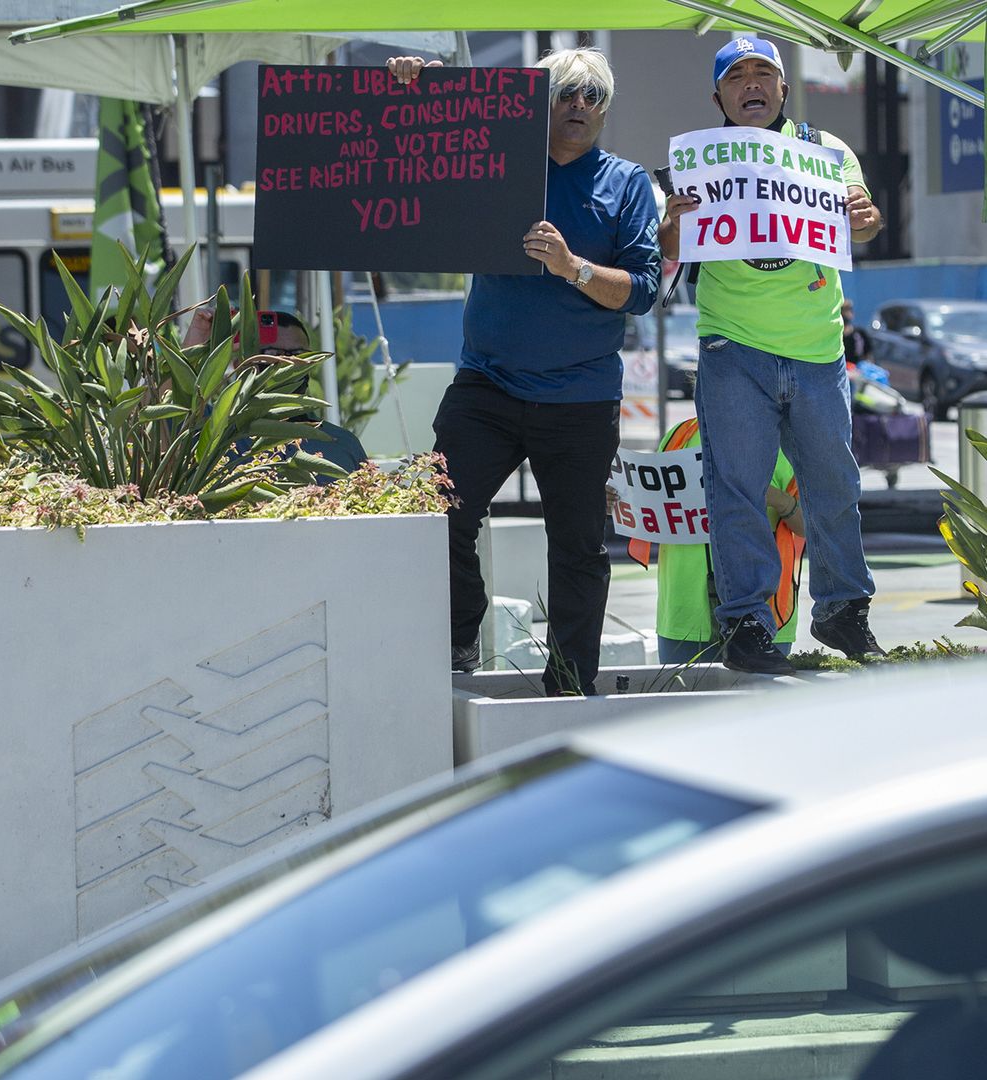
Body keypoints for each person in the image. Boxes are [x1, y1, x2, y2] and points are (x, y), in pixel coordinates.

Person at [388, 48, 661, 689]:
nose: (579, 107)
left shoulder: (623, 184)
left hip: (580, 397)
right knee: (435, 511)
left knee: (578, 547)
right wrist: (415, 91)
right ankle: (459, 638)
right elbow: (419, 160)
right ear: (535, 104)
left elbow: (645, 290)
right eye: (565, 93)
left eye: (593, 97)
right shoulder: (495, 165)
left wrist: (575, 268)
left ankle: (569, 680)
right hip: (487, 383)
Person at [658, 37, 884, 676]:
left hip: (815, 350)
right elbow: (669, 252)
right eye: (736, 77)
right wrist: (672, 224)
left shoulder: (826, 150)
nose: (751, 84)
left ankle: (843, 608)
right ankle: (748, 621)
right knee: (736, 488)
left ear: (784, 89)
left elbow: (864, 222)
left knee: (834, 484)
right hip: (734, 347)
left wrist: (863, 216)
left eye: (764, 74)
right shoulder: (700, 161)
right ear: (719, 97)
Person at [629, 417, 806, 666]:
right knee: (685, 704)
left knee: (759, 704)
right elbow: (649, 505)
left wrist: (778, 499)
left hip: (766, 615)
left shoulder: (783, 444)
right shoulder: (679, 435)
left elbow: (811, 527)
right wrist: (619, 501)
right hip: (683, 612)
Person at [183, 306, 368, 477]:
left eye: (299, 354)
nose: (288, 363)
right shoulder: (209, 431)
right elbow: (164, 411)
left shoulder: (342, 443)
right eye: (272, 354)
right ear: (240, 364)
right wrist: (197, 344)